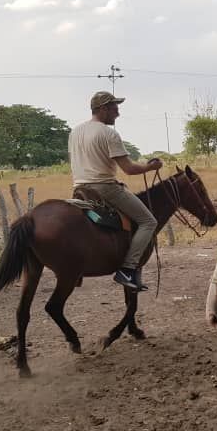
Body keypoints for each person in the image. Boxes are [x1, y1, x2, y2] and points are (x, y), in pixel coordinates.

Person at [69, 90, 162, 290]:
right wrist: (150, 166)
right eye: (114, 108)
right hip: (104, 188)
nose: (117, 113)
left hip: (79, 188)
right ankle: (127, 269)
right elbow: (128, 169)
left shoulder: (75, 131)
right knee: (148, 221)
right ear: (102, 109)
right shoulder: (109, 133)